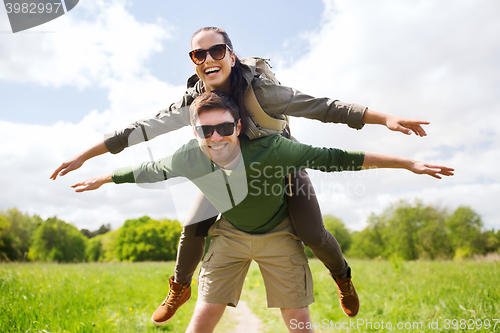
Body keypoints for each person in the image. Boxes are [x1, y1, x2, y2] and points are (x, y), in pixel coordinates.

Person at [51, 26, 431, 322]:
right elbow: (139, 129)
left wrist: (387, 119)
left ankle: (342, 277)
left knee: (312, 233)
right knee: (193, 225)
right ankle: (179, 288)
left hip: (277, 163)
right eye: (198, 54)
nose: (208, 58)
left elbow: (324, 107)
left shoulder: (263, 93)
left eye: (216, 50)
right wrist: (85, 157)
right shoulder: (192, 103)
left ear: (230, 55)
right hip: (224, 168)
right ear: (194, 61)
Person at [71, 91, 453, 333]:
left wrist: (407, 164)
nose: (216, 137)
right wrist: (102, 177)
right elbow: (149, 170)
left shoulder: (273, 146)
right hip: (231, 235)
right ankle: (178, 288)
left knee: (303, 300)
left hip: (279, 230)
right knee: (202, 310)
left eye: (223, 128)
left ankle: (343, 278)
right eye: (206, 132)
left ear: (237, 126)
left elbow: (336, 157)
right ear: (195, 135)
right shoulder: (189, 155)